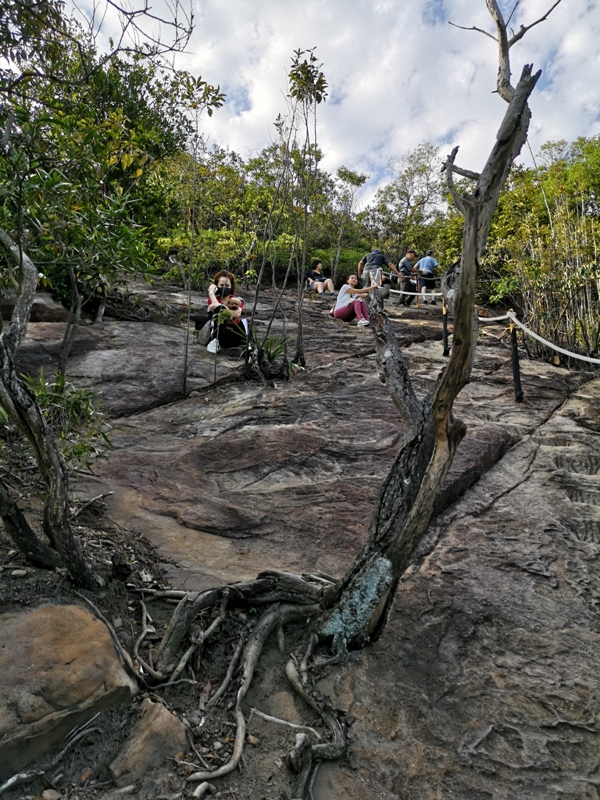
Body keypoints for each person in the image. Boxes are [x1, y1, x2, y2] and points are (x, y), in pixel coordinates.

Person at [205, 271, 248, 353]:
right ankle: (214, 341)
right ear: (217, 286)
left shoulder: (237, 300)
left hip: (233, 334)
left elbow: (237, 314)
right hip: (219, 333)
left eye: (227, 285)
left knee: (245, 322)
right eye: (221, 285)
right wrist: (211, 293)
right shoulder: (212, 299)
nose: (224, 287)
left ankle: (248, 346)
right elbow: (217, 310)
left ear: (231, 287)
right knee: (215, 314)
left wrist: (223, 308)